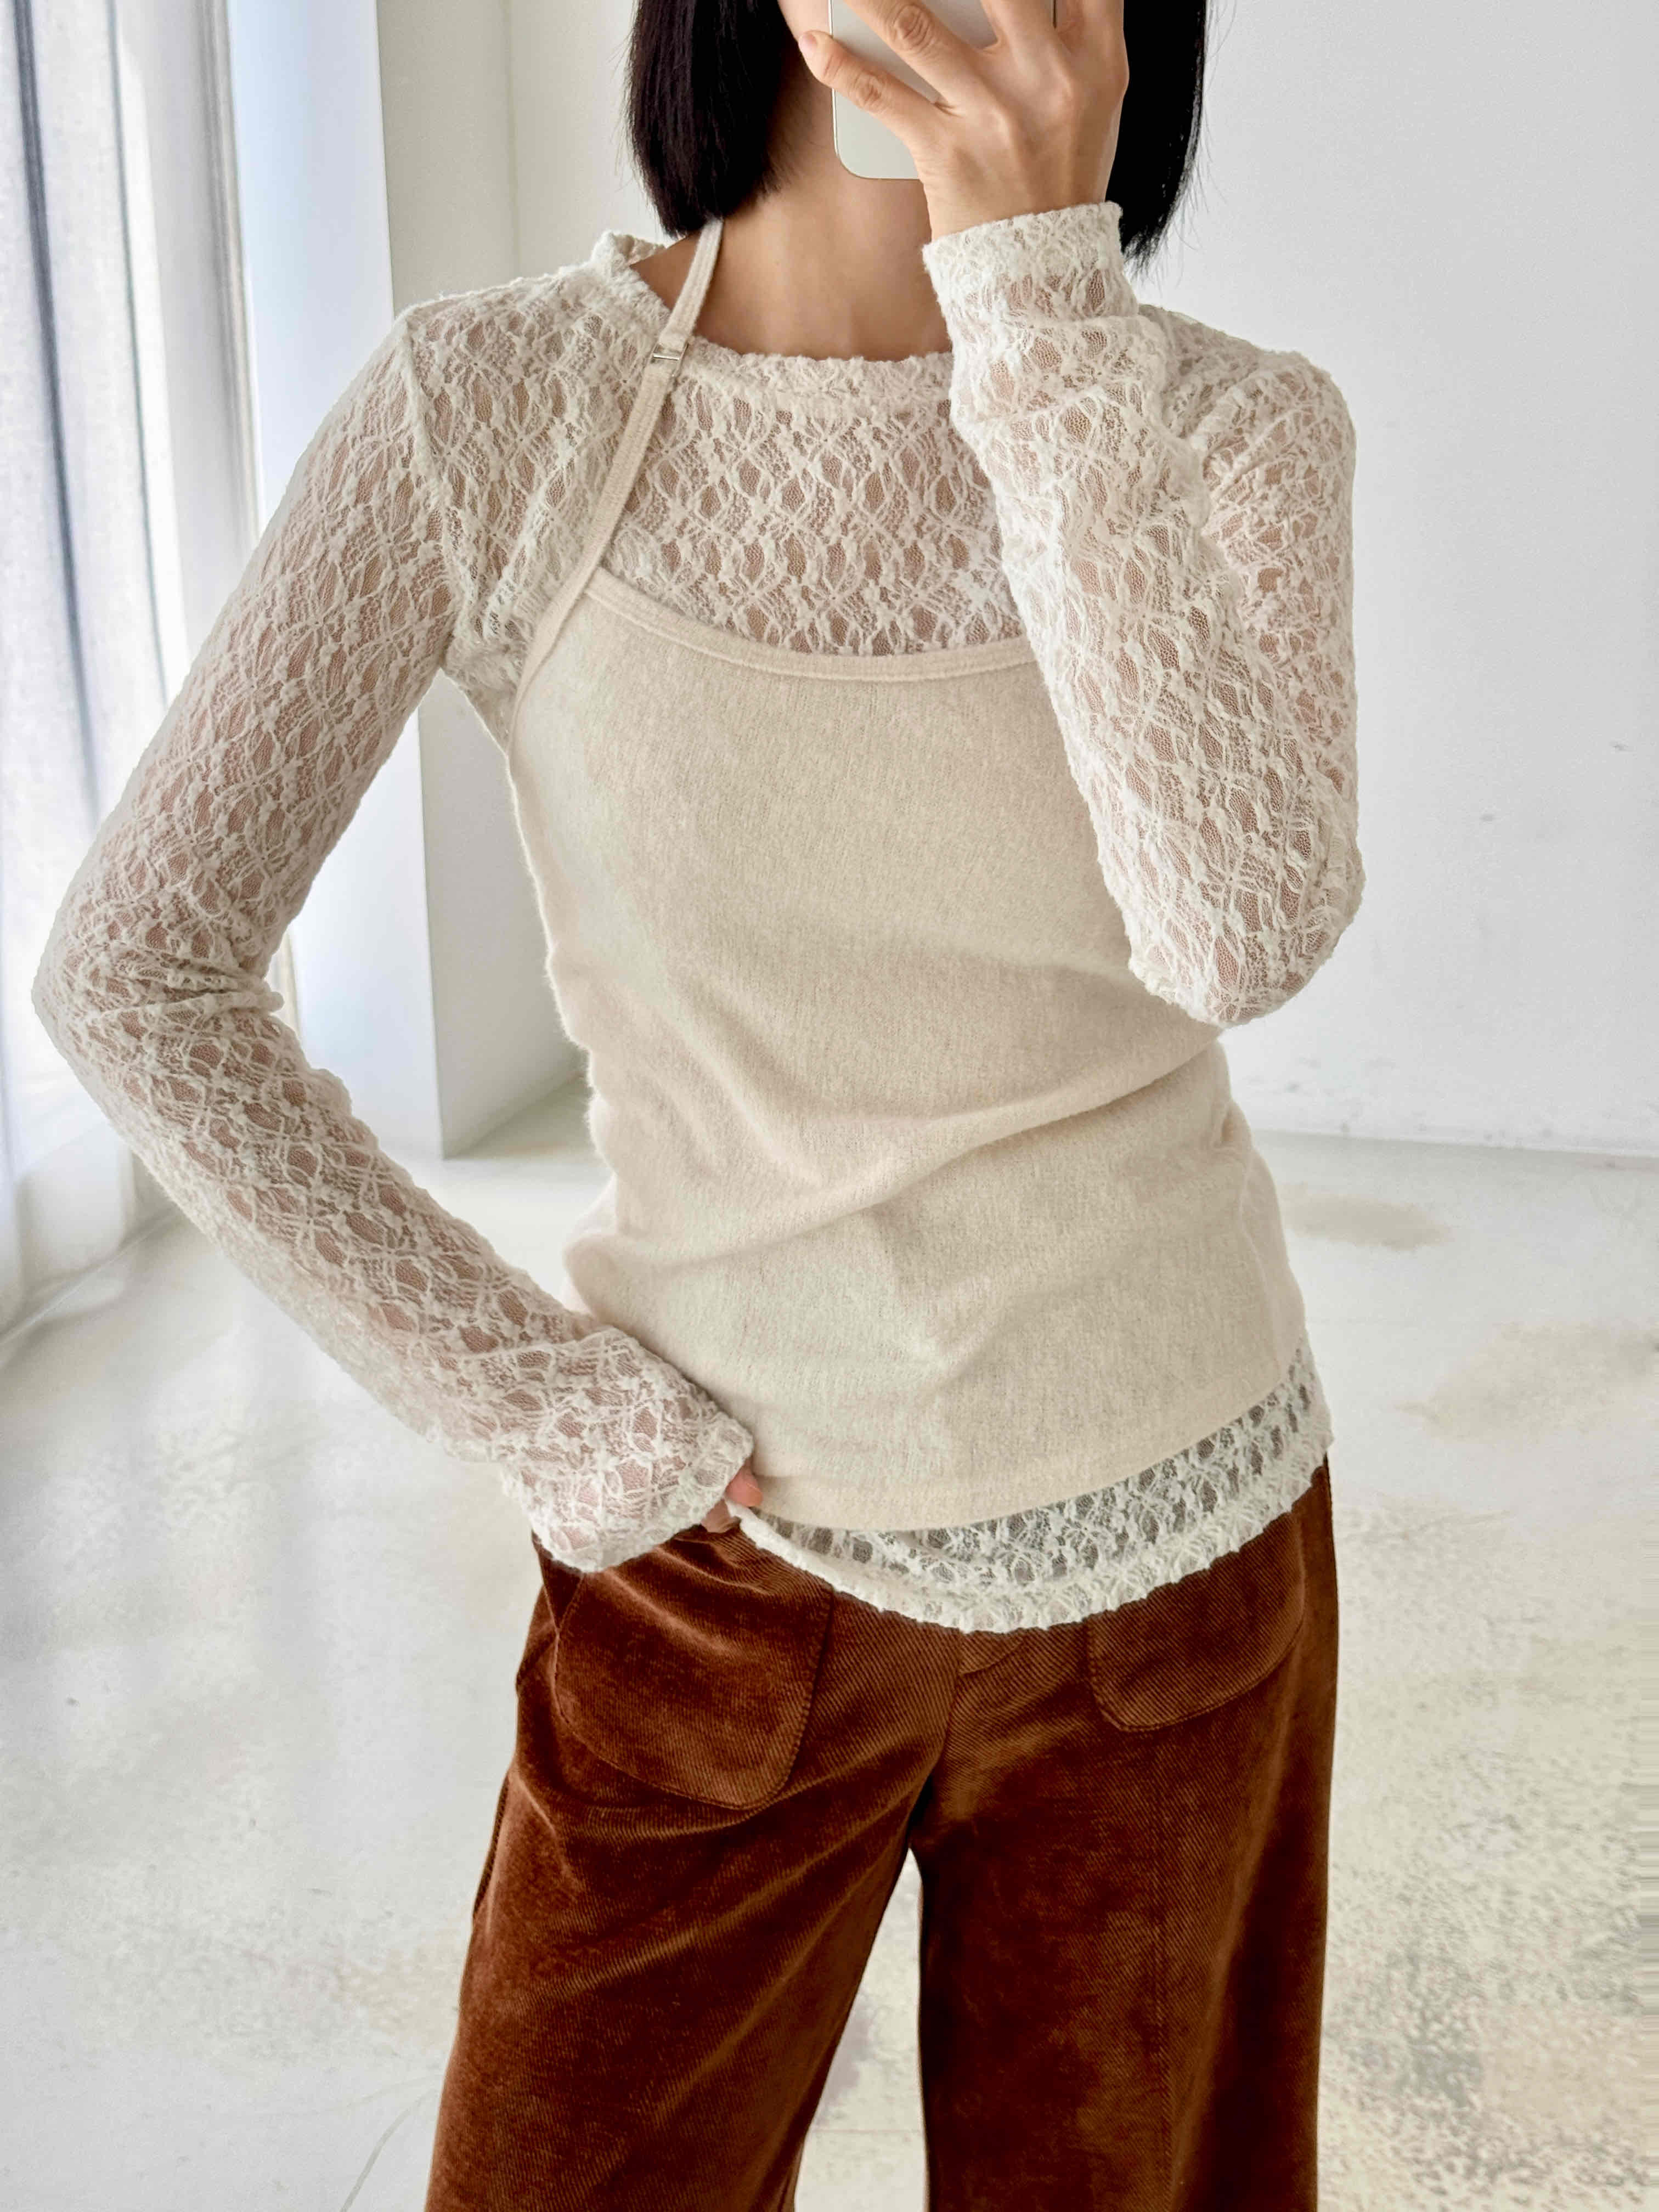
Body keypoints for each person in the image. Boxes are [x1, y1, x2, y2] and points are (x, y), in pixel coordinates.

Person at [31, 0, 1361, 2203]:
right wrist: (550, 1413)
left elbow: (1239, 937)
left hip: (1180, 1548)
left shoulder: (1236, 431)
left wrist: (1035, 304)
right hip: (716, 1573)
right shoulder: (498, 409)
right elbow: (136, 974)